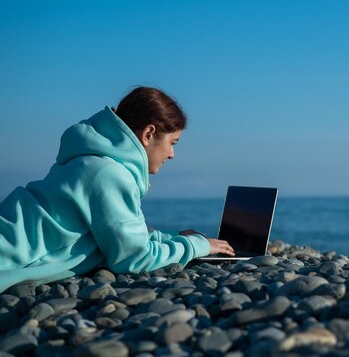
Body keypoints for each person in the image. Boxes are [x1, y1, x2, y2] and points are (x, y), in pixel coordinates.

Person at [0, 86, 234, 292]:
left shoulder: (90, 161)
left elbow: (113, 235)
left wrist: (172, 238)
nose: (172, 154)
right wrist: (197, 246)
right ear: (149, 134)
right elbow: (133, 259)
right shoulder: (109, 174)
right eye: (172, 143)